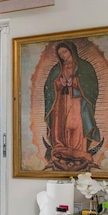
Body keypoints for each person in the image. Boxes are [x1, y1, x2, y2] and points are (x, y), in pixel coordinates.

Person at [43, 41, 101, 171]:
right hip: (60, 102)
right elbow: (48, 88)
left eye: (65, 52)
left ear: (71, 51)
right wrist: (58, 83)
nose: (63, 55)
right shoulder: (57, 69)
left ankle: (78, 150)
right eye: (60, 54)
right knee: (60, 126)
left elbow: (92, 86)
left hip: (77, 101)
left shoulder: (85, 66)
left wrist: (75, 82)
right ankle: (60, 148)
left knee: (75, 125)